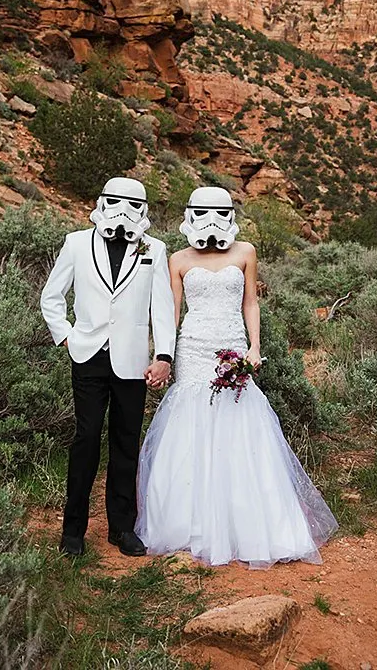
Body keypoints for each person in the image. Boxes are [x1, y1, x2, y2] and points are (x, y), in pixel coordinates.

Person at [135, 186, 338, 568]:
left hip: (232, 345)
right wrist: (162, 353)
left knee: (240, 421)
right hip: (193, 350)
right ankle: (186, 524)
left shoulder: (246, 252)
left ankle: (245, 525)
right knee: (190, 424)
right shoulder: (177, 259)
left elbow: (250, 302)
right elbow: (170, 312)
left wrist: (254, 347)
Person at [41, 177, 175, 557]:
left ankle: (122, 529)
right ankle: (73, 531)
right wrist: (65, 335)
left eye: (132, 204)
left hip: (132, 360)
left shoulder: (155, 249)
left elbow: (162, 308)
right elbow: (51, 296)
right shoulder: (76, 242)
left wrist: (163, 356)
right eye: (114, 201)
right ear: (102, 202)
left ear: (144, 209)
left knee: (125, 444)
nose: (122, 210)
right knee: (85, 440)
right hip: (87, 356)